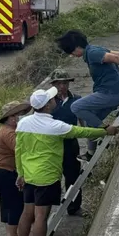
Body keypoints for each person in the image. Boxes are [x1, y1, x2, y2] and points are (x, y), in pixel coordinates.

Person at [15, 88, 119, 236]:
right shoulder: (56, 127)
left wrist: (21, 173)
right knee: (41, 216)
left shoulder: (23, 123)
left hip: (29, 174)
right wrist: (105, 131)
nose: (55, 99)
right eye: (51, 98)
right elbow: (82, 132)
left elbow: (19, 151)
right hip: (46, 177)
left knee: (27, 213)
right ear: (47, 105)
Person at [56, 30, 119, 156]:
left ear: (76, 47)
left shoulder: (92, 53)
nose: (72, 55)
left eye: (71, 52)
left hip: (110, 94)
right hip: (111, 93)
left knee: (75, 106)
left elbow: (116, 58)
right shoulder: (93, 50)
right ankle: (90, 153)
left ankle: (105, 129)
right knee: (90, 122)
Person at [0, 100, 31, 236]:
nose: (17, 118)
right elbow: (20, 148)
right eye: (13, 116)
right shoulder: (8, 132)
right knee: (14, 204)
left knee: (9, 203)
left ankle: (14, 234)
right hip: (5, 172)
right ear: (8, 118)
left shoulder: (9, 130)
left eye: (18, 115)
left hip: (2, 172)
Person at [50, 68, 83, 216]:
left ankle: (74, 207)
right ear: (53, 85)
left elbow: (83, 122)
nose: (62, 87)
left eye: (65, 83)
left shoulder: (77, 99)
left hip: (70, 143)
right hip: (51, 145)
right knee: (51, 178)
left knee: (73, 176)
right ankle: (48, 208)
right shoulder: (47, 102)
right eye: (58, 84)